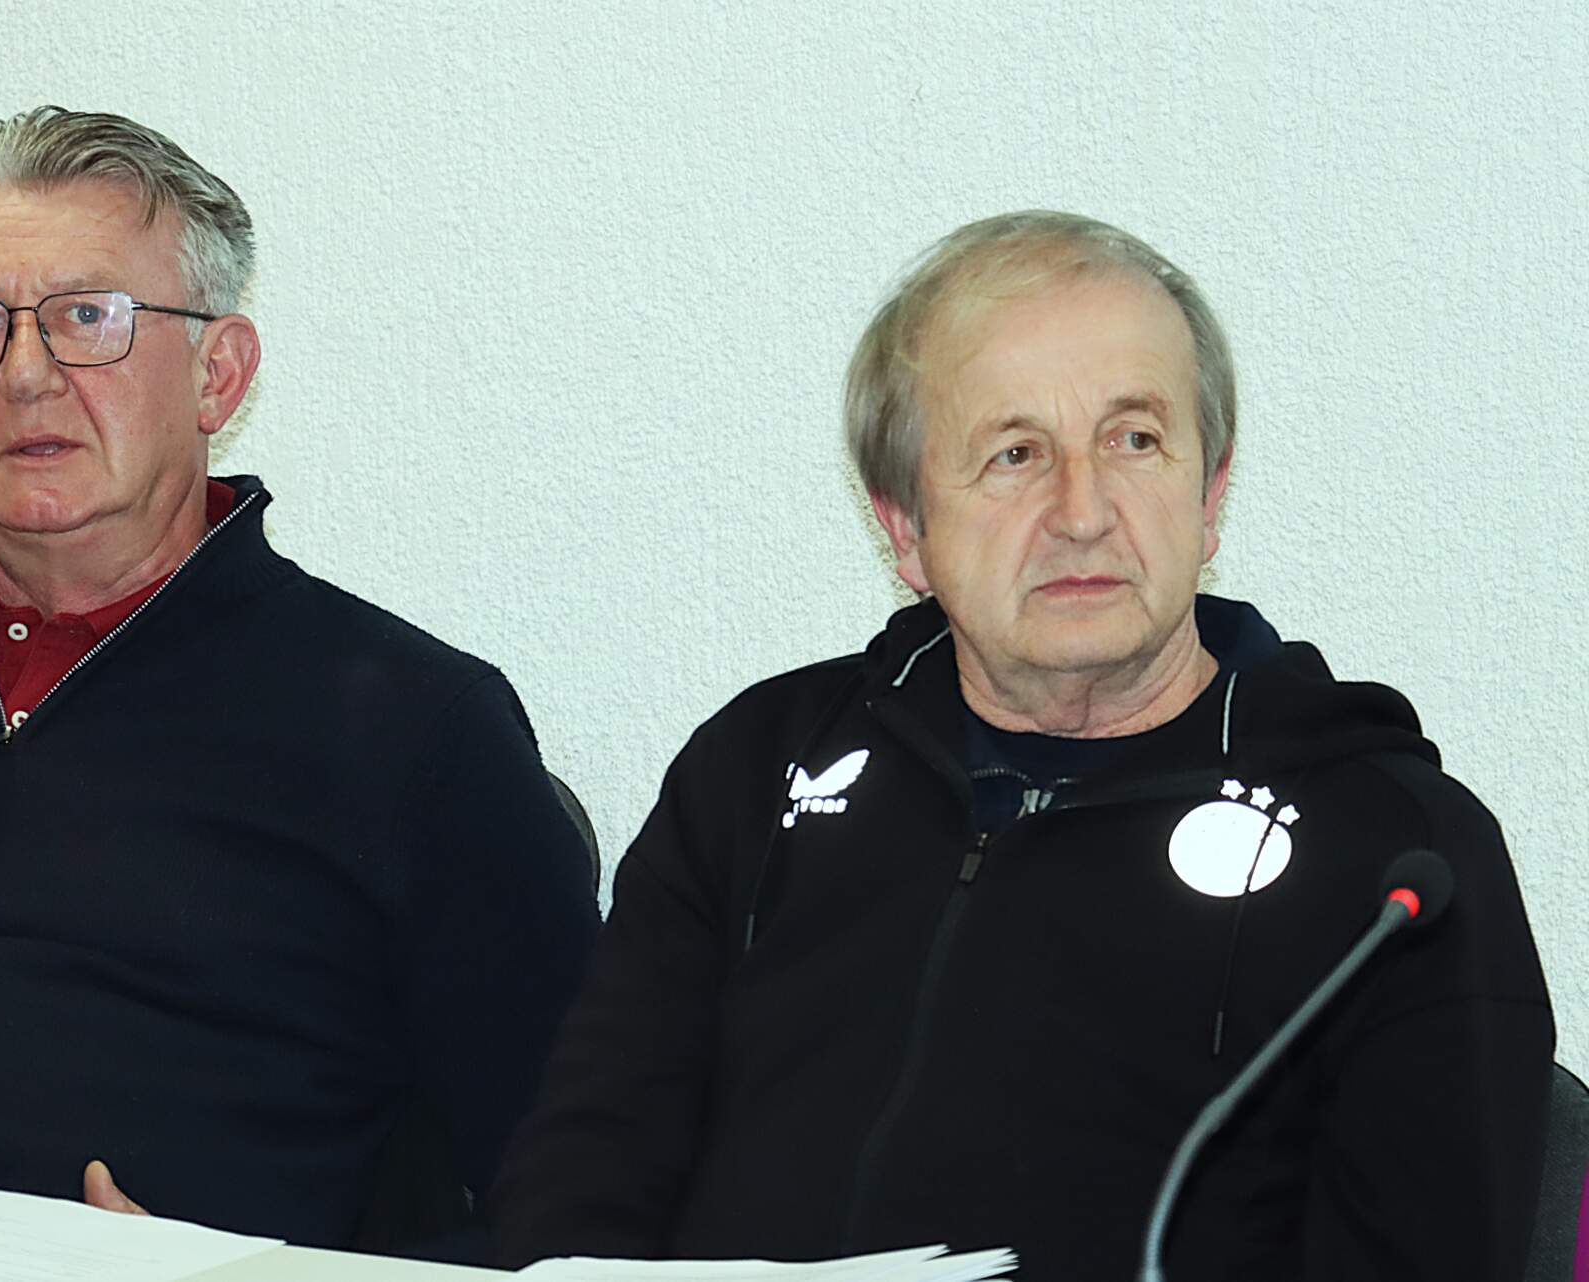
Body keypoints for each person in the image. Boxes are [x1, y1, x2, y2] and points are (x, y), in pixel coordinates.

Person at [492, 212, 1553, 1279]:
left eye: (1134, 440)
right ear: (905, 528)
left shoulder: (1395, 856)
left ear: (1209, 496)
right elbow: (583, 1177)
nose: (1083, 512)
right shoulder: (758, 768)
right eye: (1015, 454)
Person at [0, 106, 597, 1253]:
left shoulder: (411, 724)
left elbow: (587, 1199)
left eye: (87, 318)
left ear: (219, 373)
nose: (24, 374)